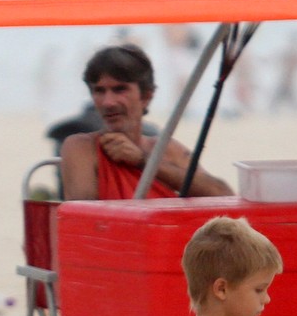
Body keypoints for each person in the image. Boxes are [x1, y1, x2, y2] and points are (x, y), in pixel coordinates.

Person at [59, 43, 232, 200]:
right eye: (99, 91)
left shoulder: (166, 149)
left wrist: (143, 161)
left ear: (146, 96)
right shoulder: (81, 147)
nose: (108, 102)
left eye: (120, 89)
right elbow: (83, 219)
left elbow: (223, 195)